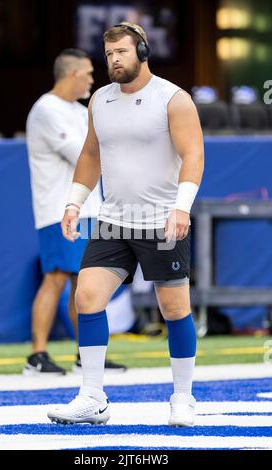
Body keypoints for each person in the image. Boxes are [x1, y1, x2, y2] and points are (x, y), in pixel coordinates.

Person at [47, 23, 204, 426]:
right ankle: (93, 396)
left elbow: (193, 155)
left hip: (162, 221)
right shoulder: (99, 99)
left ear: (143, 52)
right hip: (114, 220)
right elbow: (89, 154)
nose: (114, 60)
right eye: (109, 54)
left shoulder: (173, 98)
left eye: (122, 52)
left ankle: (183, 398)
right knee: (87, 297)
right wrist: (73, 203)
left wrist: (182, 207)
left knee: (174, 309)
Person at [25, 48, 127, 375]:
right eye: (87, 73)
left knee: (84, 283)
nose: (92, 79)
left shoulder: (79, 109)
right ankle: (37, 356)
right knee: (55, 278)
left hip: (88, 209)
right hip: (59, 210)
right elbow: (82, 155)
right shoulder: (46, 110)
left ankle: (87, 355)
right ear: (72, 74)